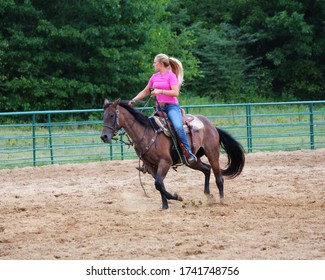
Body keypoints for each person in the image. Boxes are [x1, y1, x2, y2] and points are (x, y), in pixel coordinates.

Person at [130, 53, 197, 165]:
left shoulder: (171, 76)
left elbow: (175, 93)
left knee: (178, 127)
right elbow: (145, 91)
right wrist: (133, 100)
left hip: (171, 107)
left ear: (161, 64)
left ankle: (188, 153)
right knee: (148, 128)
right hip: (159, 109)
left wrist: (159, 91)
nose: (154, 64)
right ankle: (149, 159)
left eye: (155, 62)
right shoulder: (154, 77)